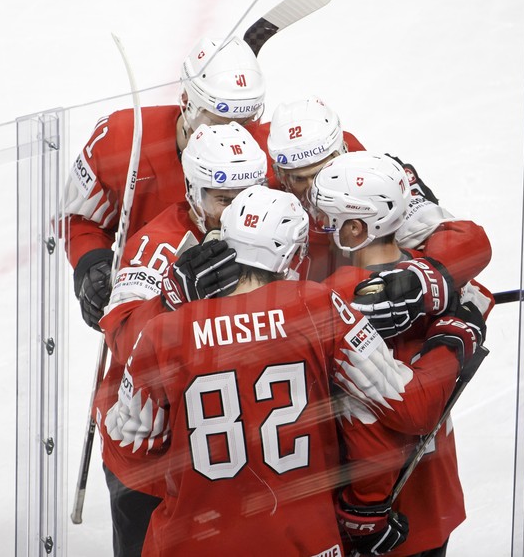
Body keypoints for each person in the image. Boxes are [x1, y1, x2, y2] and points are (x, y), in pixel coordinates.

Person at [104, 185, 427, 556]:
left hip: (194, 541)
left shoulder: (165, 331)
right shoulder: (317, 305)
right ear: (292, 254)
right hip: (305, 539)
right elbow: (390, 414)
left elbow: (126, 453)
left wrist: (196, 482)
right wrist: (455, 339)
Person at [307, 151, 493, 556]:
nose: (320, 225)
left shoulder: (334, 298)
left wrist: (364, 509)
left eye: (328, 216)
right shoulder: (442, 280)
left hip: (373, 504)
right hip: (433, 492)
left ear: (355, 228)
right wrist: (456, 332)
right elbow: (480, 297)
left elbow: (366, 423)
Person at [95, 122, 267, 557]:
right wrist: (172, 296)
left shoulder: (270, 229)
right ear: (193, 190)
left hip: (223, 446)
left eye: (246, 196)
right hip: (148, 455)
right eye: (223, 200)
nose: (235, 212)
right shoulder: (158, 244)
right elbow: (119, 335)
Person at [62, 36, 273, 331]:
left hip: (243, 323)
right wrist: (92, 263)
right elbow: (78, 219)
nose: (235, 135)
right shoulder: (121, 138)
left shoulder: (269, 152)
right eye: (220, 122)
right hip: (151, 316)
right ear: (187, 103)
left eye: (247, 122)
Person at [267, 97, 493, 336]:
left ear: (342, 152)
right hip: (308, 327)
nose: (313, 190)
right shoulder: (268, 194)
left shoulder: (376, 182)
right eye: (299, 179)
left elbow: (467, 241)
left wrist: (419, 280)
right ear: (280, 173)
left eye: (321, 171)